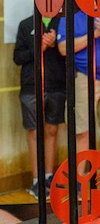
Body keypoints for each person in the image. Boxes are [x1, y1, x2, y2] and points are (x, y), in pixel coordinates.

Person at [57, 11, 100, 193]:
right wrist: (94, 33)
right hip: (84, 78)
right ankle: (78, 181)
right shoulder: (72, 16)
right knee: (82, 132)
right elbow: (63, 48)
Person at [14, 14, 66, 200]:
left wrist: (54, 45)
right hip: (31, 87)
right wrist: (39, 48)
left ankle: (48, 177)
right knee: (35, 133)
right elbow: (17, 57)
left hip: (57, 86)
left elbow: (69, 54)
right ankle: (37, 180)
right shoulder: (26, 23)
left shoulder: (63, 22)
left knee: (52, 130)